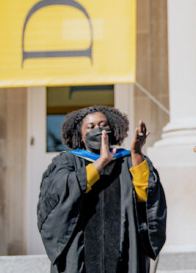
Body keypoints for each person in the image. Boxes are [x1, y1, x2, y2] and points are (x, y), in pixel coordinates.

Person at [37, 106, 167, 273]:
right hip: (81, 254)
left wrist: (136, 154)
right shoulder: (65, 162)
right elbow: (58, 195)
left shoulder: (129, 160)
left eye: (103, 125)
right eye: (90, 127)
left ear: (112, 130)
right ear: (81, 136)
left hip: (124, 253)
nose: (98, 130)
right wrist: (101, 162)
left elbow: (146, 198)